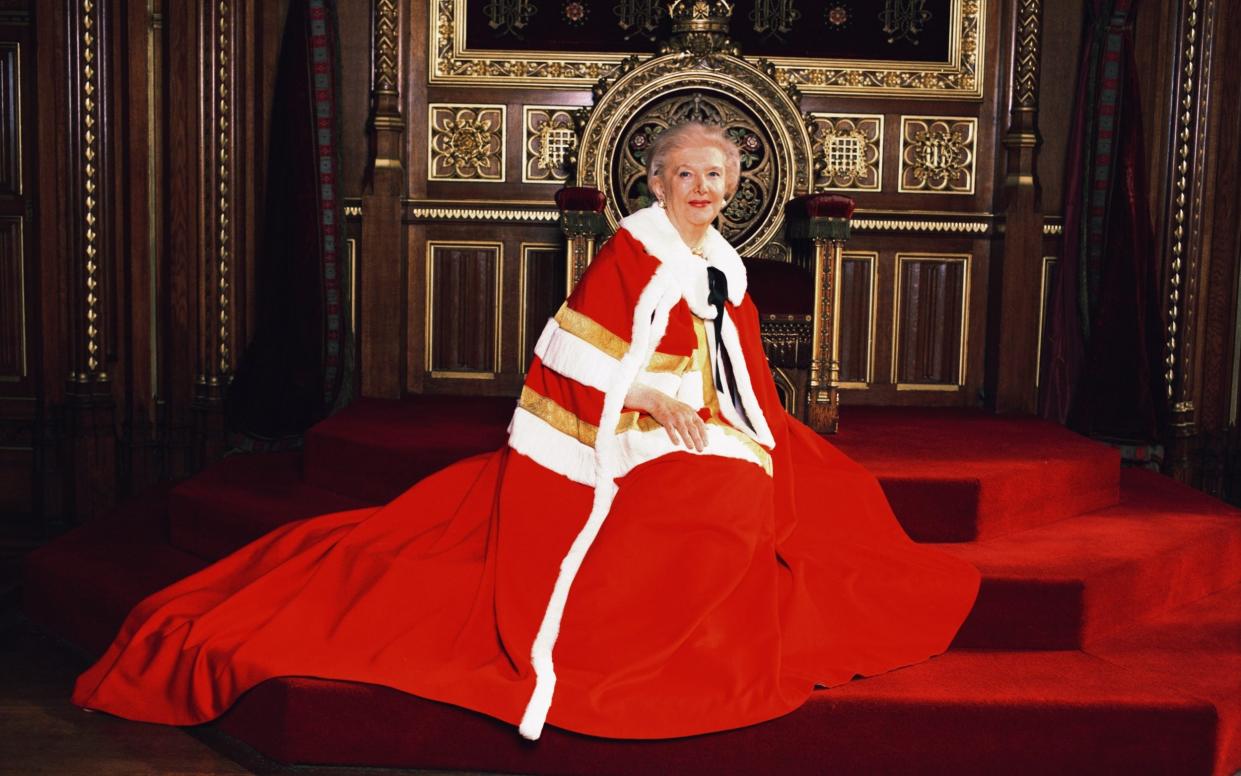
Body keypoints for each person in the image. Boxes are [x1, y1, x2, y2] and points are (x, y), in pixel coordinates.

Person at [72, 122, 981, 742]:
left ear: (736, 186)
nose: (701, 189)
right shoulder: (633, 250)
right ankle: (643, 646)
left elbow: (735, 365)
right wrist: (645, 405)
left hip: (707, 418)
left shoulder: (721, 264)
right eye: (684, 176)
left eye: (716, 177)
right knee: (722, 499)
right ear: (654, 184)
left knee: (818, 480)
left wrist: (745, 418)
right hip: (623, 426)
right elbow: (570, 358)